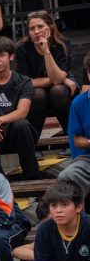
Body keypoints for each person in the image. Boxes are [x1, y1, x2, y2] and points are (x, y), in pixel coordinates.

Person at [0, 36, 41, 180]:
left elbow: (22, 112)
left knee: (22, 125)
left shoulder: (23, 81)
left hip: (16, 132)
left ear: (11, 56)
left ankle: (33, 178)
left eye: (2, 55)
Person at [16, 11, 79, 137]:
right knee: (37, 93)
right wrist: (63, 79)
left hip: (63, 92)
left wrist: (46, 51)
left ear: (50, 26)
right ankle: (33, 140)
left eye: (40, 26)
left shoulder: (62, 44)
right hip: (39, 91)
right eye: (32, 28)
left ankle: (73, 138)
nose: (36, 31)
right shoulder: (23, 48)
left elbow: (56, 81)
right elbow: (26, 81)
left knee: (58, 90)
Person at [56, 54, 90, 195]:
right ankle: (79, 210)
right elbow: (77, 140)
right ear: (88, 74)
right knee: (66, 177)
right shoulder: (79, 103)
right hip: (87, 159)